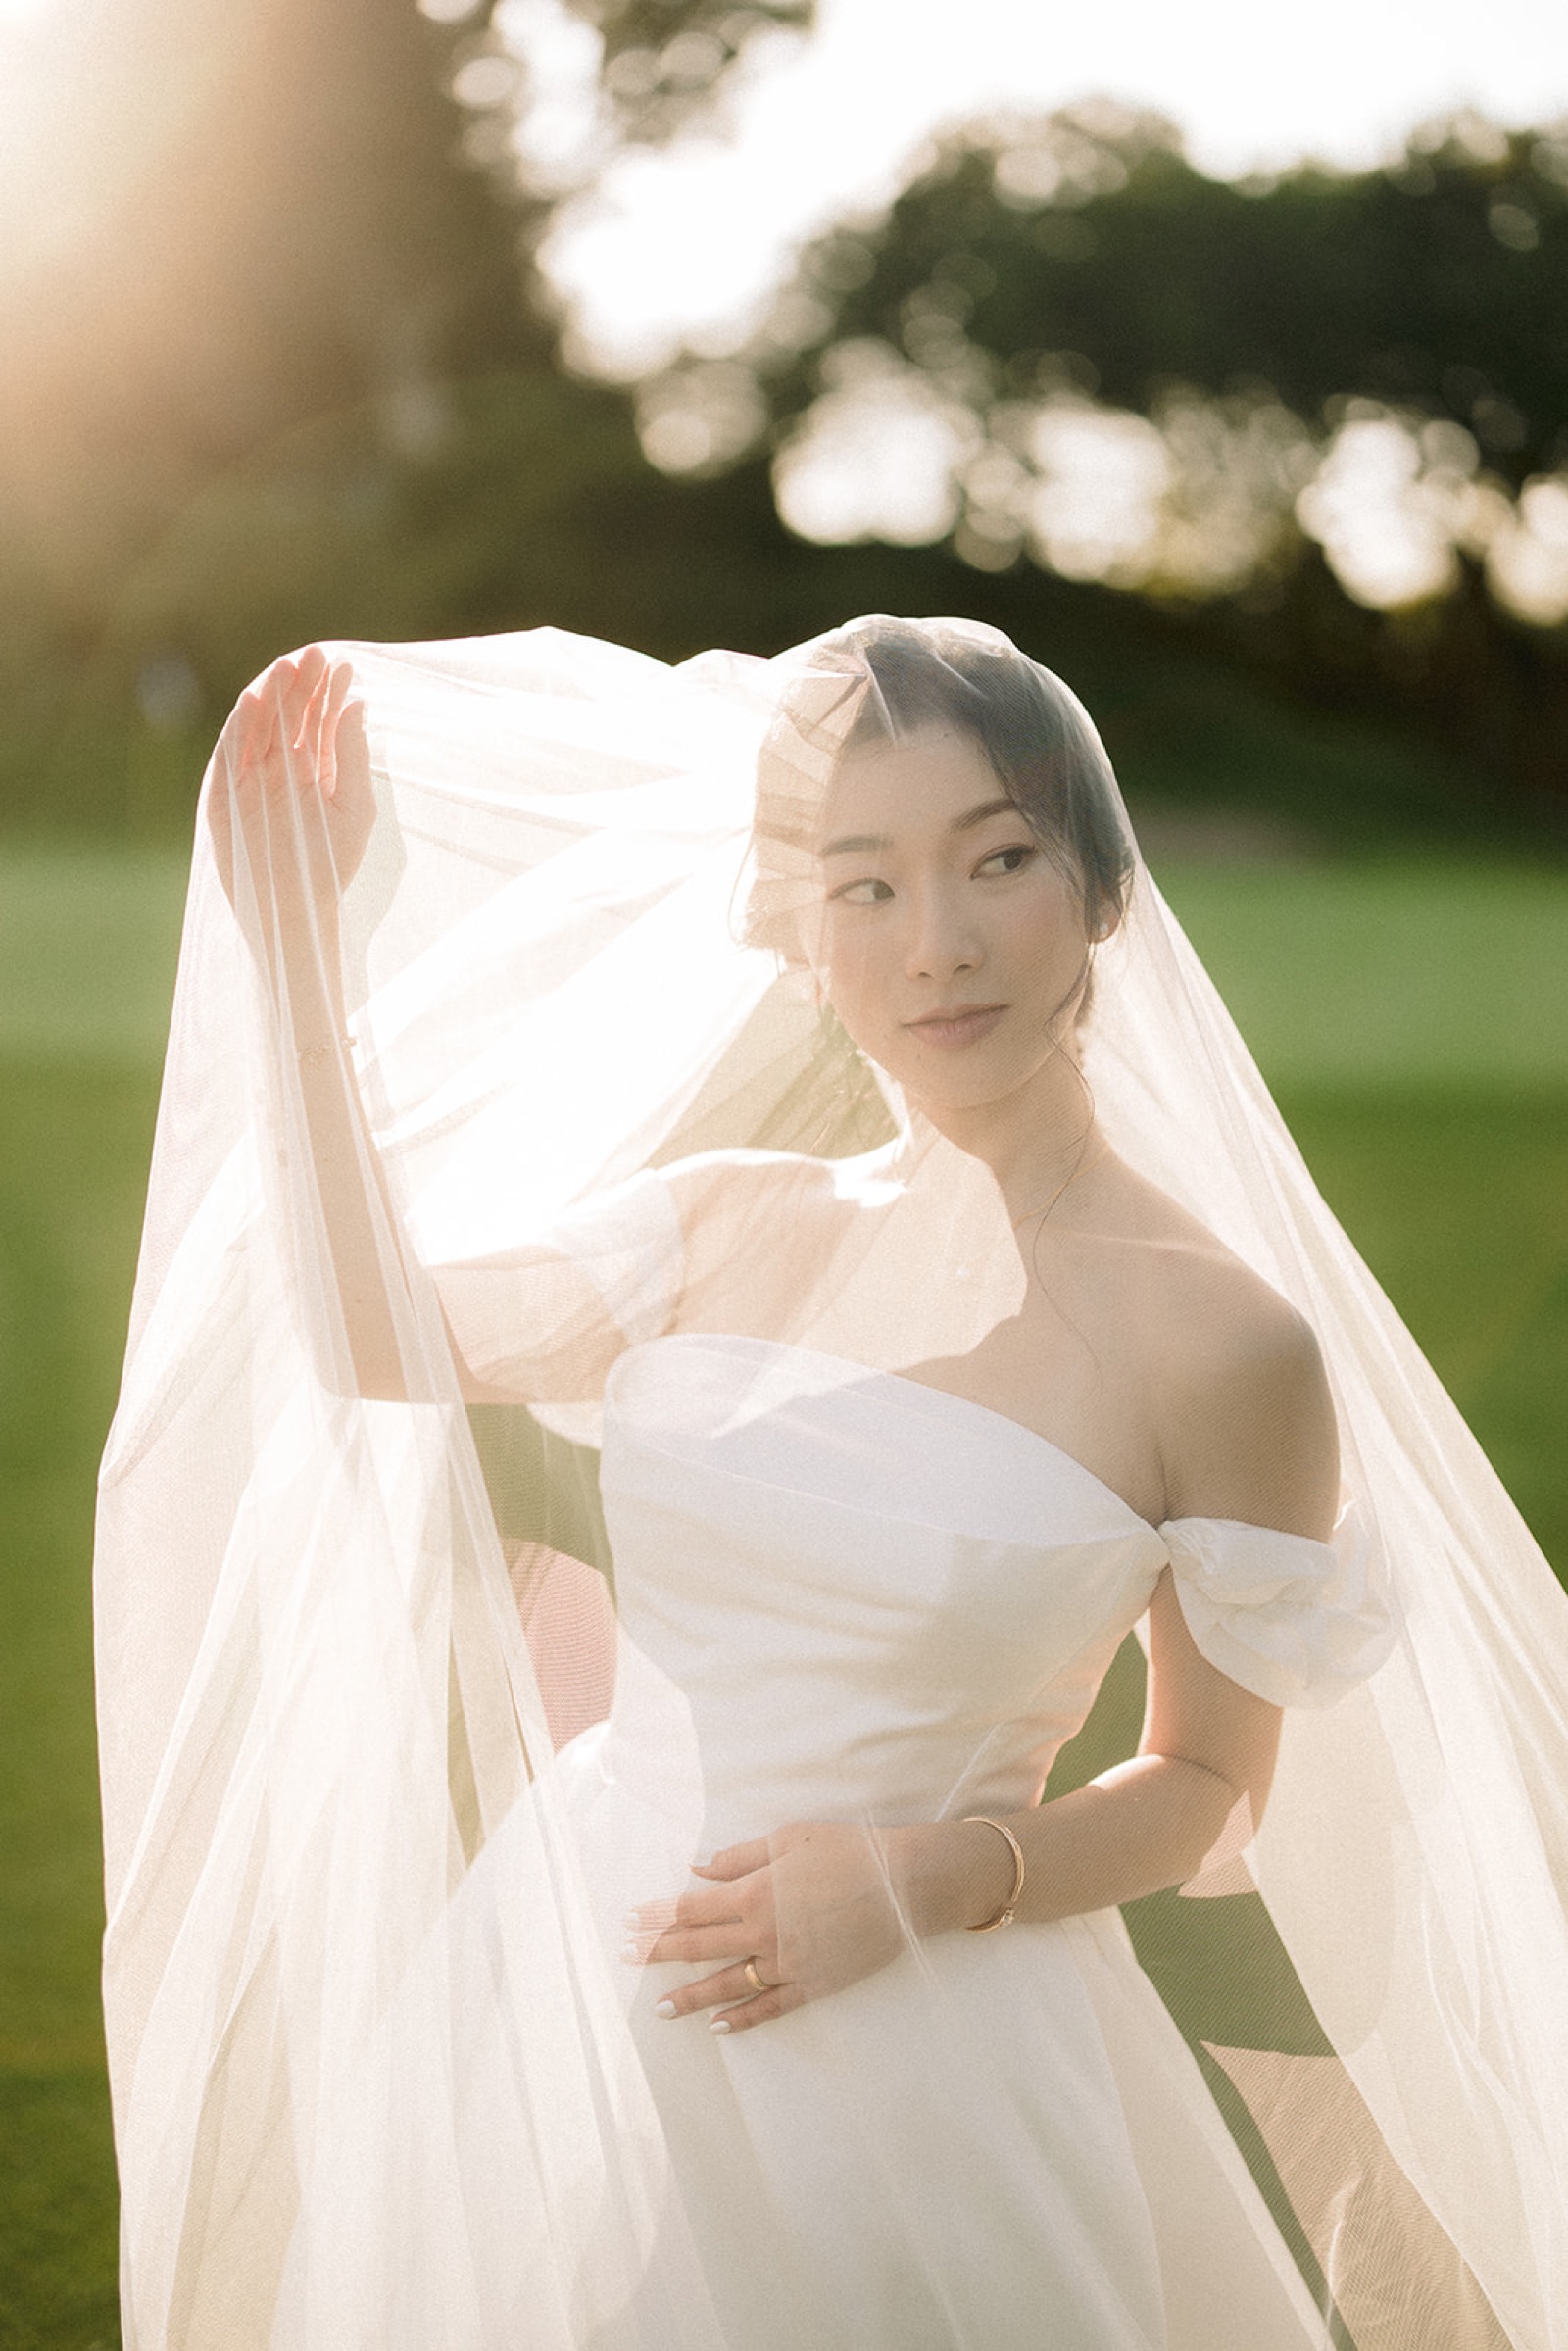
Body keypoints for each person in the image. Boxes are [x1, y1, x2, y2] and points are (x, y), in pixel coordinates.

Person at [96, 617, 1568, 2350]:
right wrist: (295, 960)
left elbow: (1206, 1787)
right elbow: (373, 1333)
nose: (937, 946)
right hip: (578, 1978)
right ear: (796, 935)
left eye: (997, 861)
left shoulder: (1225, 1347)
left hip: (928, 2036)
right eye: (861, 886)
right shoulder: (736, 1223)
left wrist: (925, 1881)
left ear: (1099, 890)